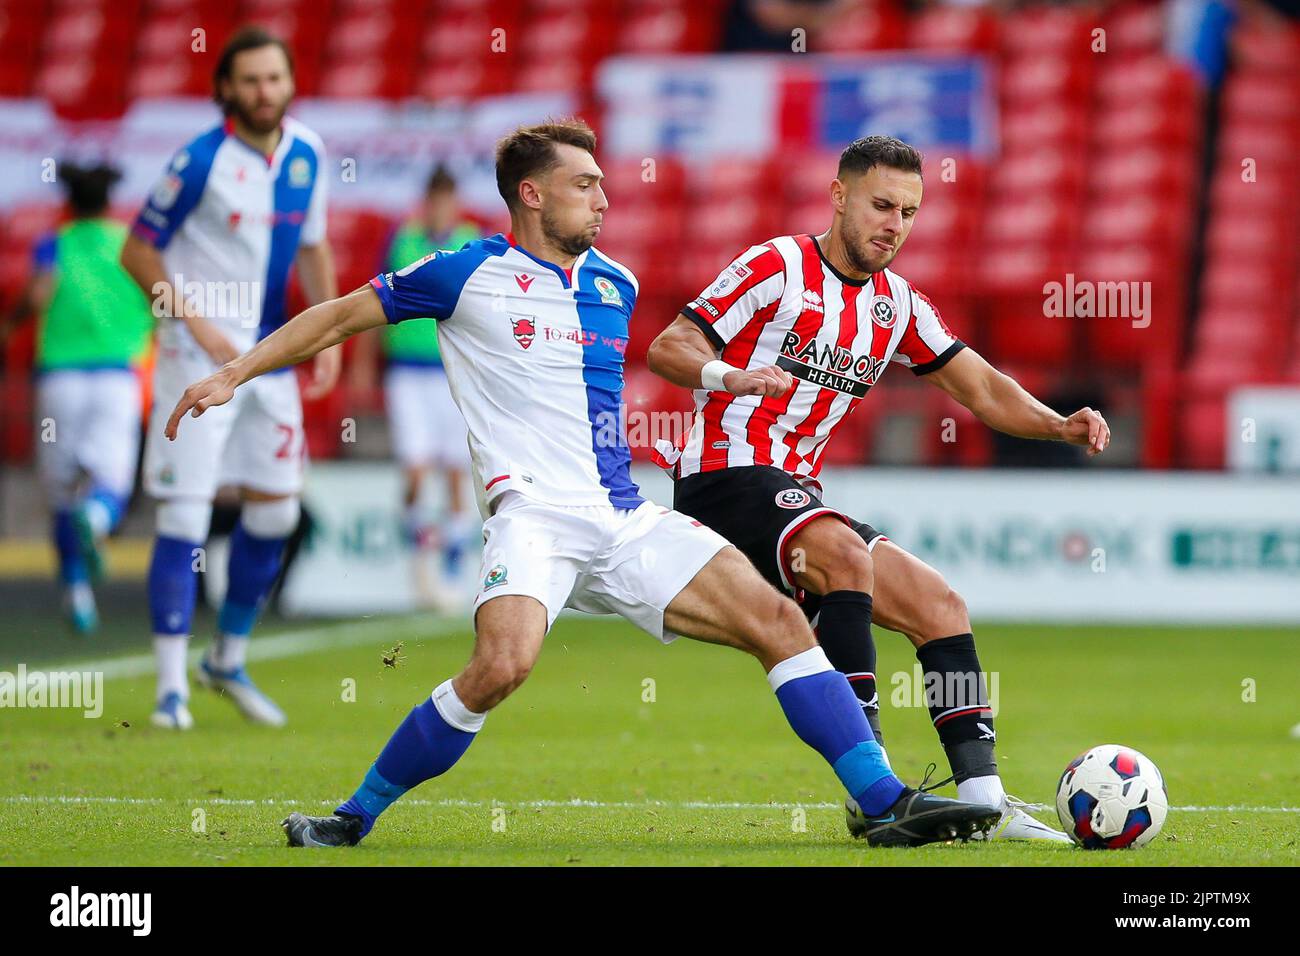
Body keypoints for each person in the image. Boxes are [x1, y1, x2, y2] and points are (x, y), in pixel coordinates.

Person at [165, 118, 1002, 849]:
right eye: (585, 185)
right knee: (501, 666)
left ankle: (884, 802)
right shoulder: (461, 274)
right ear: (531, 195)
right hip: (533, 516)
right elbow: (339, 314)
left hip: (624, 516)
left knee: (781, 619)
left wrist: (720, 380)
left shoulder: (617, 282)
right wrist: (233, 373)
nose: (604, 199)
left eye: (603, 184)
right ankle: (353, 817)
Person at [649, 134, 1112, 842]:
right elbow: (670, 345)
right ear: (839, 197)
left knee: (939, 603)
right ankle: (876, 792)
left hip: (794, 492)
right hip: (723, 476)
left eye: (909, 212)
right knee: (844, 555)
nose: (894, 224)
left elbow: (981, 386)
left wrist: (1059, 425)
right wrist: (728, 375)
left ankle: (985, 805)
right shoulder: (776, 266)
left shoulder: (896, 305)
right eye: (881, 204)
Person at [120, 27, 339, 730]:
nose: (264, 92)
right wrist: (191, 322)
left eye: (274, 78)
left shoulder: (308, 152)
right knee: (186, 511)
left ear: (289, 82)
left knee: (276, 510)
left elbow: (313, 245)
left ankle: (226, 659)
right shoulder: (200, 160)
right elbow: (137, 251)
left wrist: (329, 333)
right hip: (196, 358)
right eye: (249, 81)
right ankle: (168, 688)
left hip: (269, 356)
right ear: (225, 90)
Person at [0, 163, 153, 633]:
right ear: (109, 201)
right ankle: (97, 519)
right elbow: (160, 297)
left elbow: (40, 294)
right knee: (111, 481)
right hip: (116, 376)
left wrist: (10, 326)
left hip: (60, 378)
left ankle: (77, 593)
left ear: (68, 201)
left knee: (62, 489)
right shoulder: (130, 244)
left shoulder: (54, 244)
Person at [354, 165, 480, 605]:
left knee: (454, 474)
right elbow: (373, 303)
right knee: (414, 470)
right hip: (407, 370)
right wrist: (363, 365)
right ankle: (420, 554)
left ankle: (451, 567)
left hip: (452, 372)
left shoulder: (469, 238)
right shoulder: (401, 238)